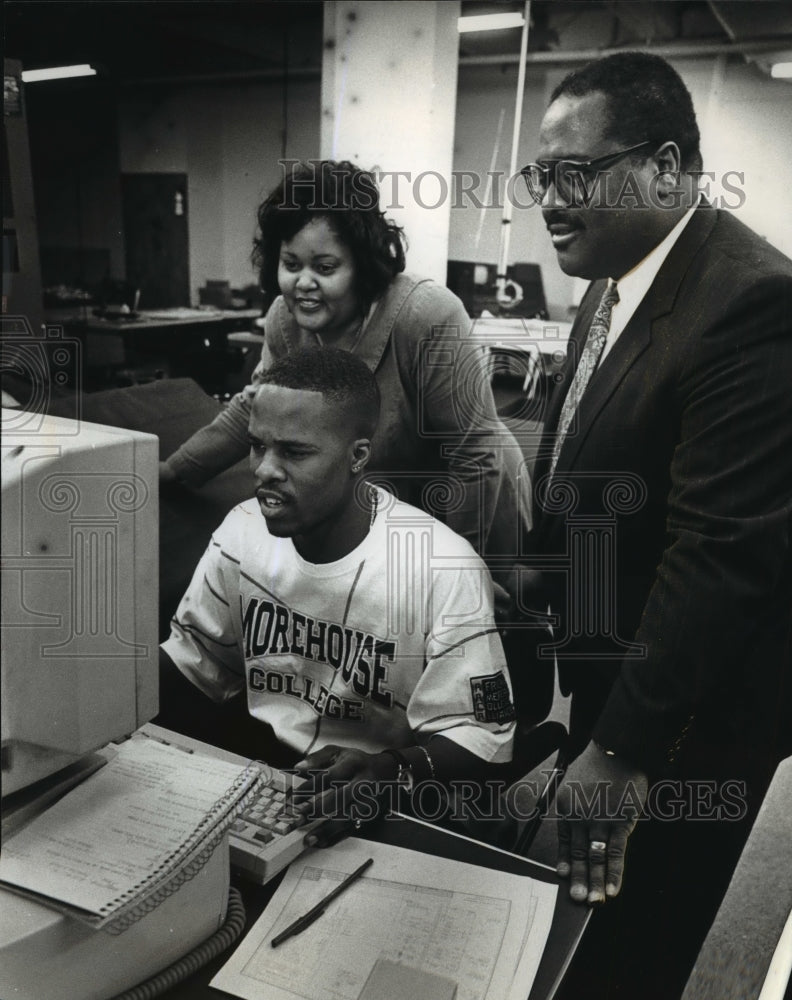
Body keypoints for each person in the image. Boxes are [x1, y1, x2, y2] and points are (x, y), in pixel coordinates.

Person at [516, 51, 792, 997]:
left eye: (575, 174)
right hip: (611, 680)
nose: (550, 201)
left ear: (666, 168)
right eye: (541, 177)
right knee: (595, 924)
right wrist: (538, 572)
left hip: (688, 724)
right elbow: (593, 451)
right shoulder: (614, 277)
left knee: (646, 939)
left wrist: (619, 749)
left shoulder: (752, 300)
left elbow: (718, 553)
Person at [159, 347, 516, 841]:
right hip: (273, 780)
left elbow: (484, 738)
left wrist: (390, 771)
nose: (264, 469)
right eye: (257, 446)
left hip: (391, 795)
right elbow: (195, 662)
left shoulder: (441, 566)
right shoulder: (242, 531)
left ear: (358, 456)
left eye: (294, 452)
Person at [162, 159, 530, 596]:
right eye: (291, 264)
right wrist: (175, 471)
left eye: (325, 267)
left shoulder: (427, 315)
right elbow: (253, 407)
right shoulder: (285, 320)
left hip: (469, 507)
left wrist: (466, 571)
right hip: (381, 513)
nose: (303, 283)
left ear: (362, 265)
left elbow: (474, 454)